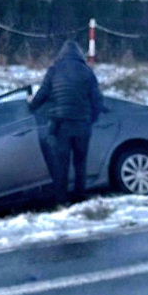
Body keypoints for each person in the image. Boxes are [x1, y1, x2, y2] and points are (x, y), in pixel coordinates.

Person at [28, 40, 104, 205]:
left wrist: (31, 105)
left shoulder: (54, 71)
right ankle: (79, 197)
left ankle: (61, 200)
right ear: (79, 54)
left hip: (61, 125)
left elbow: (42, 94)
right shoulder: (87, 72)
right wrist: (91, 119)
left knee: (61, 165)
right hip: (82, 125)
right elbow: (97, 100)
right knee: (80, 164)